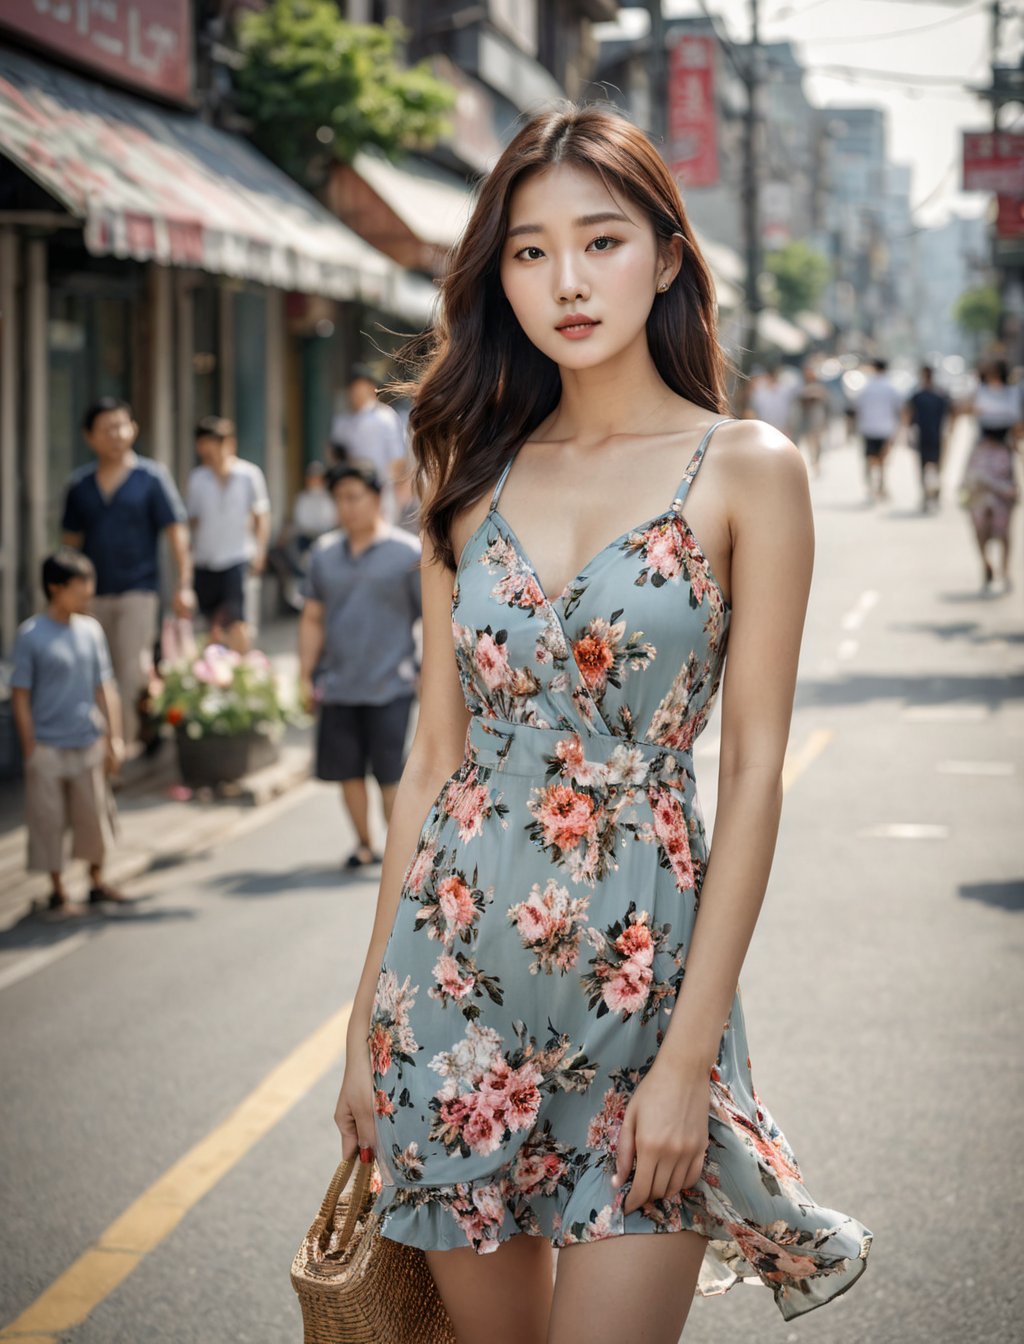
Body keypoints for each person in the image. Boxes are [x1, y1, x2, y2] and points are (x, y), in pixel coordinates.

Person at [331, 105, 871, 1342]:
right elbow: (428, 763)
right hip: (451, 994)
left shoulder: (748, 468)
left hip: (645, 1002)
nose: (565, 281)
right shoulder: (460, 460)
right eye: (527, 251)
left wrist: (691, 1062)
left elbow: (753, 778)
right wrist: (366, 1029)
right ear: (496, 273)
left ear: (667, 255)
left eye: (601, 240)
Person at [298, 463, 422, 868]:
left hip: (392, 684)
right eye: (340, 499)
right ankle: (364, 844)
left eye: (355, 497)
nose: (347, 507)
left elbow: (432, 620)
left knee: (391, 775)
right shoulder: (323, 555)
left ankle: (401, 856)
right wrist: (304, 674)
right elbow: (312, 618)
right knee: (348, 772)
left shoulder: (407, 553)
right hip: (338, 684)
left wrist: (427, 673)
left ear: (376, 498)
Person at [61, 397, 193, 746]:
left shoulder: (151, 478)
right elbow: (70, 547)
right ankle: (101, 746)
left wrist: (184, 584)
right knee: (93, 674)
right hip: (90, 596)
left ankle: (129, 751)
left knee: (132, 670)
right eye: (106, 429)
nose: (116, 435)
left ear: (133, 429)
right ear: (89, 437)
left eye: (122, 426)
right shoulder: (80, 486)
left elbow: (176, 532)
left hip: (139, 589)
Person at [10, 549, 128, 912]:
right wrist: (29, 744)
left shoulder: (91, 631)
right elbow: (20, 694)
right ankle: (57, 890)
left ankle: (96, 880)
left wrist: (115, 737)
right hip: (47, 746)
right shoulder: (31, 635)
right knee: (49, 822)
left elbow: (104, 687)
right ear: (55, 588)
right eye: (79, 587)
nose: (87, 593)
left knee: (94, 818)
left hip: (86, 739)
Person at [186, 417, 271, 653]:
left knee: (238, 623)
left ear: (228, 443)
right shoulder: (197, 479)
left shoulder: (249, 474)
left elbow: (261, 516)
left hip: (237, 557)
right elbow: (191, 521)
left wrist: (261, 551)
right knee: (207, 625)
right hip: (205, 559)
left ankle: (243, 676)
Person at [960, 358, 1020, 590]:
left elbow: (1018, 426)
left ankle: (1005, 569)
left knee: (1005, 521)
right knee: (978, 518)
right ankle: (986, 563)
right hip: (981, 459)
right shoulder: (979, 391)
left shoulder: (1013, 393)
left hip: (1004, 459)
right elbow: (961, 409)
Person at [330, 364, 411, 523]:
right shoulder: (342, 421)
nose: (355, 392)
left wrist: (386, 487)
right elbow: (334, 453)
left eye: (359, 387)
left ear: (370, 387)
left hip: (379, 487)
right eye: (353, 388)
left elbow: (397, 458)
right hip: (349, 487)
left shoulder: (385, 417)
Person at [267, 460, 338, 612]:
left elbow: (332, 519)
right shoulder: (302, 498)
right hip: (305, 538)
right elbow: (299, 521)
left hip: (325, 537)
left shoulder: (329, 497)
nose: (314, 480)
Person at [854, 358, 904, 501]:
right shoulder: (891, 388)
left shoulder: (867, 387)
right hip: (886, 428)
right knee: (883, 460)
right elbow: (899, 409)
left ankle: (871, 488)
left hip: (868, 428)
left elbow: (859, 408)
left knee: (869, 459)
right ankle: (881, 487)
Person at [905, 365, 951, 512]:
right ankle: (928, 496)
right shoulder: (921, 395)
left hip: (933, 435)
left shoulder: (936, 395)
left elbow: (948, 416)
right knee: (930, 467)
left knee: (932, 467)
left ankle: (932, 495)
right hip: (927, 435)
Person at [794, 361, 831, 475]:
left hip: (817, 418)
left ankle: (816, 461)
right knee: (809, 442)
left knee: (817, 442)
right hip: (806, 419)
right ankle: (813, 461)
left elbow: (827, 404)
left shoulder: (819, 387)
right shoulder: (800, 387)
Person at [745, 362, 796, 436]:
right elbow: (752, 412)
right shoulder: (759, 390)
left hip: (781, 431)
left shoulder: (784, 389)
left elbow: (789, 411)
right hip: (763, 431)